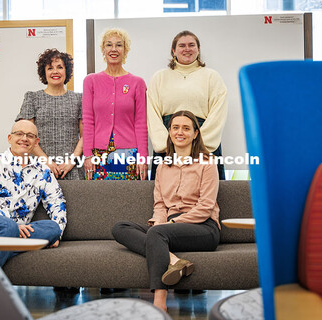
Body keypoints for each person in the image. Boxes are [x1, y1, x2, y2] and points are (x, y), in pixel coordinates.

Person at [112, 110, 221, 311]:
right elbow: (160, 204)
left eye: (186, 128)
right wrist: (160, 221)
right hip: (169, 228)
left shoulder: (208, 162)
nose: (180, 132)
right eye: (175, 127)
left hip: (203, 227)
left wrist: (168, 224)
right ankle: (176, 261)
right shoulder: (163, 166)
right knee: (120, 228)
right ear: (169, 132)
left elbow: (205, 207)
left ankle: (159, 302)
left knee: (157, 232)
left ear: (195, 134)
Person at [0, 120, 66, 267]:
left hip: (16, 230)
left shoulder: (43, 171)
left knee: (53, 228)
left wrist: (58, 234)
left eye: (30, 135)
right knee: (8, 228)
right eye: (19, 134)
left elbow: (57, 202)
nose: (24, 138)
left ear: (36, 142)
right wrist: (13, 226)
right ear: (10, 138)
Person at [147, 30, 228, 180]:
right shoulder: (159, 78)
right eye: (182, 45)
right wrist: (168, 143)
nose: (187, 49)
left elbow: (218, 113)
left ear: (198, 49)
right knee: (166, 193)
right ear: (173, 51)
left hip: (204, 145)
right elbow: (152, 113)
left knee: (207, 193)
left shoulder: (212, 77)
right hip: (168, 145)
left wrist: (199, 143)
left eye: (192, 45)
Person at [82, 28, 148, 180]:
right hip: (97, 154)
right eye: (108, 45)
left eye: (119, 45)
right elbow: (88, 120)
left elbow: (141, 122)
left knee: (128, 199)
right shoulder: (90, 81)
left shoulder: (137, 82)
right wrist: (87, 155)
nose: (113, 49)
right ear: (103, 50)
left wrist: (143, 157)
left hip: (130, 153)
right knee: (99, 199)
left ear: (125, 50)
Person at [16, 48, 84, 180]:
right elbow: (27, 136)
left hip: (72, 169)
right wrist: (46, 162)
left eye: (60, 67)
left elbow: (85, 135)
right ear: (44, 72)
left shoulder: (79, 99)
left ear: (67, 71)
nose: (55, 72)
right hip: (38, 168)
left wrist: (71, 161)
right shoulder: (32, 98)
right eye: (50, 68)